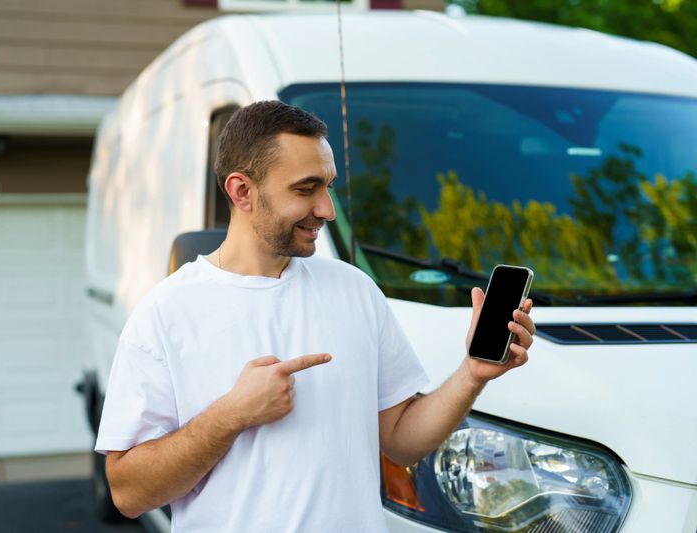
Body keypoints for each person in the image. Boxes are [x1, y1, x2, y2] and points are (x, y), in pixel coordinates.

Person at [95, 101, 536, 532]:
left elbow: (402, 442)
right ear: (241, 191)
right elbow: (130, 494)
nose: (326, 209)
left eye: (328, 187)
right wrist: (231, 414)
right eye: (306, 190)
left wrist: (473, 374)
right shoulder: (165, 312)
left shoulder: (354, 289)